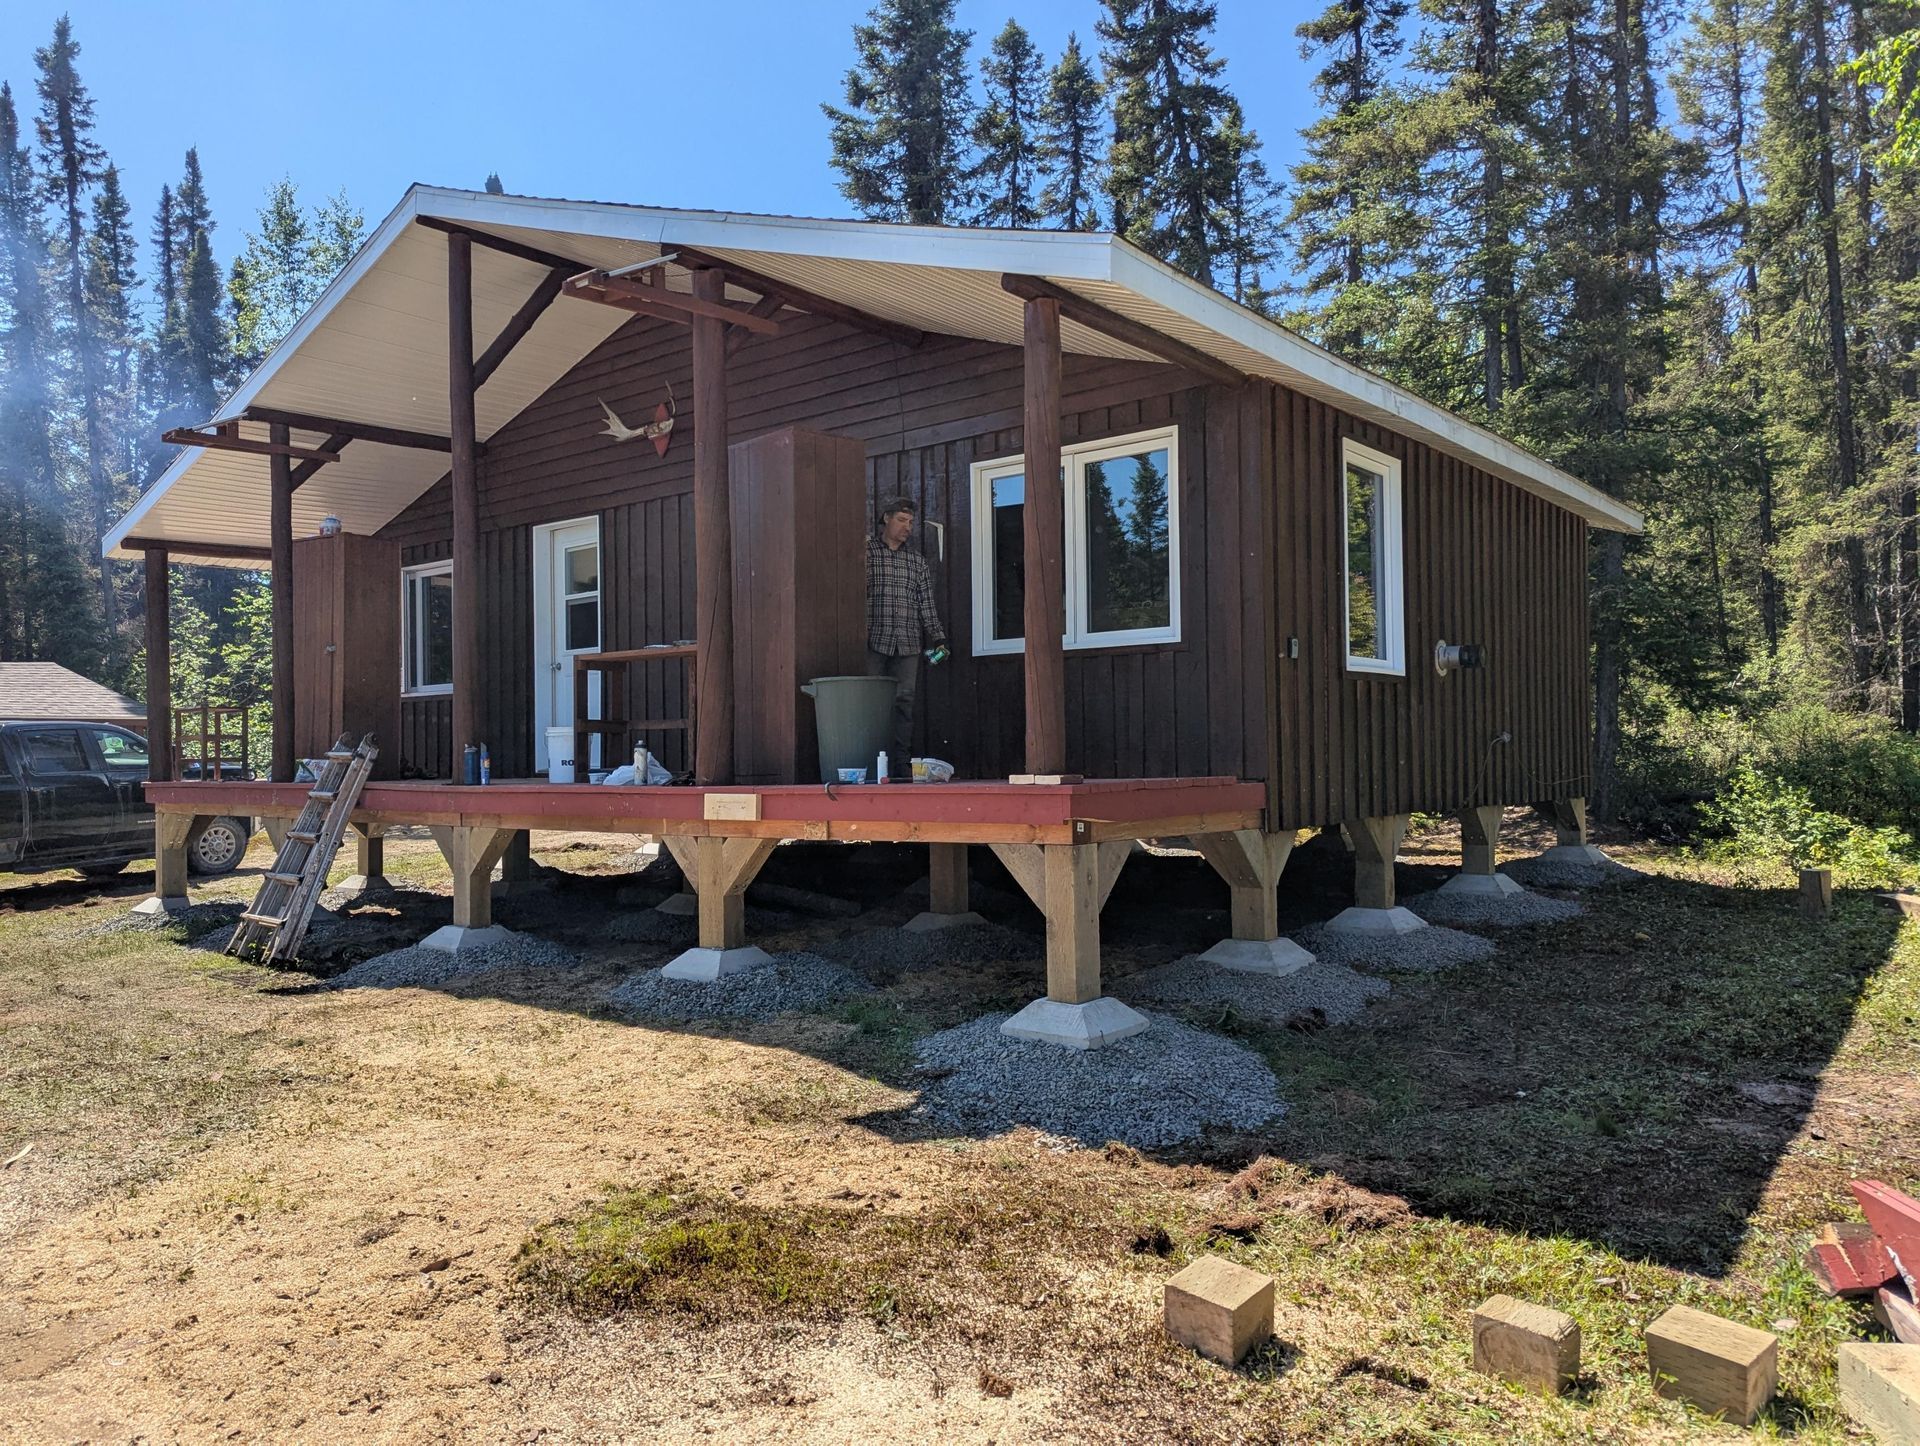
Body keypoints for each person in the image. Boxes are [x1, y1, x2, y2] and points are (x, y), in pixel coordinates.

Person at [865, 495, 946, 770]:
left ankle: (900, 765)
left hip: (909, 642)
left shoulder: (916, 561)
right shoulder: (866, 553)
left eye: (910, 522)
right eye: (901, 520)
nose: (907, 527)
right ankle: (872, 762)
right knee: (873, 703)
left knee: (904, 704)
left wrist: (938, 637)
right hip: (873, 640)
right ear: (885, 519)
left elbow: (926, 602)